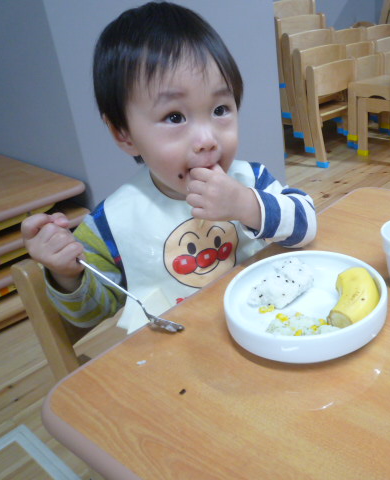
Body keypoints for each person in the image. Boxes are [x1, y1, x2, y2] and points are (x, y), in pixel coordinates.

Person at [21, 2, 317, 333]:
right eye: (174, 117)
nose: (207, 140)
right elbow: (89, 314)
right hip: (177, 353)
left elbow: (307, 225)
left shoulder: (252, 180)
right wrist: (66, 274)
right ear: (124, 134)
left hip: (267, 329)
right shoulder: (111, 224)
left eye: (220, 109)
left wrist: (248, 206)